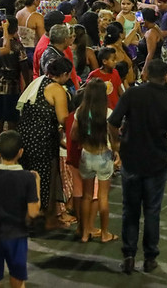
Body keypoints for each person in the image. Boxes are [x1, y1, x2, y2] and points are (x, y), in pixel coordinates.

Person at [108, 59, 167, 274]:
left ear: (145, 74)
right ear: (166, 77)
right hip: (156, 163)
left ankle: (129, 254)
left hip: (131, 160)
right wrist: (161, 139)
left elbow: (113, 122)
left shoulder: (132, 94)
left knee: (130, 210)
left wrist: (117, 144)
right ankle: (150, 257)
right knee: (152, 211)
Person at [0, 130, 40, 288]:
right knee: (17, 279)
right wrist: (37, 183)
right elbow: (33, 212)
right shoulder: (28, 178)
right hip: (17, 235)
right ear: (20, 152)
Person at [17, 57, 71, 231]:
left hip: (25, 138)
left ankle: (27, 216)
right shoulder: (56, 89)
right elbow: (63, 118)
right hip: (43, 141)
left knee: (28, 178)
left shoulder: (37, 82)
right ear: (63, 74)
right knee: (44, 181)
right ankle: (41, 221)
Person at [72, 78, 117, 244]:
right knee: (103, 197)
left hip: (86, 155)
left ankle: (85, 233)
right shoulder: (108, 113)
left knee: (87, 196)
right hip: (103, 156)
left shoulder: (80, 111)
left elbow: (73, 135)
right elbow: (114, 136)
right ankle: (104, 233)